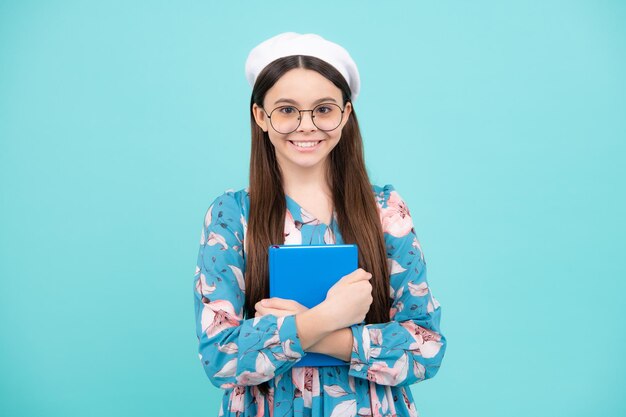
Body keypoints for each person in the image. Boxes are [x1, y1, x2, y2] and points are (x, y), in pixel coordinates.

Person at [193, 32, 446, 417]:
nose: (306, 125)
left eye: (323, 109)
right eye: (287, 110)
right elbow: (220, 356)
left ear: (345, 114)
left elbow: (425, 348)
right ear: (261, 116)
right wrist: (327, 317)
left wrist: (307, 329)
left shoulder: (385, 211)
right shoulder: (231, 215)